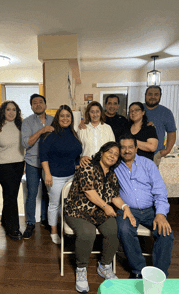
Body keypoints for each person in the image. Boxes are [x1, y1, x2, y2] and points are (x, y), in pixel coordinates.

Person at [64, 142, 136, 293]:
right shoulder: (88, 166)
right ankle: (81, 269)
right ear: (101, 152)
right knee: (87, 233)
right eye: (109, 152)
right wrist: (105, 206)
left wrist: (125, 207)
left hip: (99, 212)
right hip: (78, 210)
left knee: (113, 230)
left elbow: (115, 196)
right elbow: (89, 192)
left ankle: (104, 266)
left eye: (116, 155)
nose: (112, 156)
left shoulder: (111, 175)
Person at [114, 134, 174, 279]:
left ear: (136, 148)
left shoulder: (148, 164)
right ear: (119, 149)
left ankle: (159, 274)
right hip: (128, 209)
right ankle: (138, 270)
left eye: (130, 147)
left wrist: (160, 214)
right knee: (124, 229)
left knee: (166, 233)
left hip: (150, 209)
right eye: (123, 147)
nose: (127, 150)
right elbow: (99, 160)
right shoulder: (114, 166)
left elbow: (160, 191)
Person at [39, 105, 82, 244]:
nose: (65, 118)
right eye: (62, 115)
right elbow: (43, 156)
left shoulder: (74, 133)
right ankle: (54, 231)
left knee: (68, 204)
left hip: (71, 175)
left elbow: (76, 155)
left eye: (68, 116)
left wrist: (78, 164)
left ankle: (65, 228)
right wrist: (47, 174)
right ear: (57, 118)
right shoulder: (50, 134)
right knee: (54, 204)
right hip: (55, 176)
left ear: (71, 118)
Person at [21, 94, 54, 239]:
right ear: (31, 107)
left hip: (50, 163)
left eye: (41, 102)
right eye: (35, 103)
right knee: (32, 192)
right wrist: (42, 130)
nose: (38, 105)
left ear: (45, 105)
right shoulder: (27, 122)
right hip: (32, 162)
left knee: (48, 192)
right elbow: (26, 143)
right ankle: (30, 223)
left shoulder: (54, 120)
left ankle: (45, 219)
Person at [0, 101, 25, 240]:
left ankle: (5, 220)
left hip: (18, 164)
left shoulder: (22, 125)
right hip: (2, 166)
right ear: (3, 111)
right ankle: (14, 229)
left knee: (10, 194)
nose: (11, 112)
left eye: (14, 110)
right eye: (8, 109)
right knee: (11, 196)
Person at [144, 86, 176, 166]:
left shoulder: (166, 112)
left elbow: (171, 132)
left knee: (152, 177)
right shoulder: (137, 108)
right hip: (136, 153)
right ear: (145, 95)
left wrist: (167, 150)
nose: (153, 97)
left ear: (160, 96)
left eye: (156, 94)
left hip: (155, 154)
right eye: (150, 94)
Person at [78, 101, 115, 167]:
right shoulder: (82, 129)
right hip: (87, 166)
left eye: (97, 111)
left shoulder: (107, 128)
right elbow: (77, 149)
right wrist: (80, 158)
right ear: (88, 113)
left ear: (101, 113)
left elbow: (113, 148)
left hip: (104, 166)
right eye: (92, 112)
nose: (95, 114)